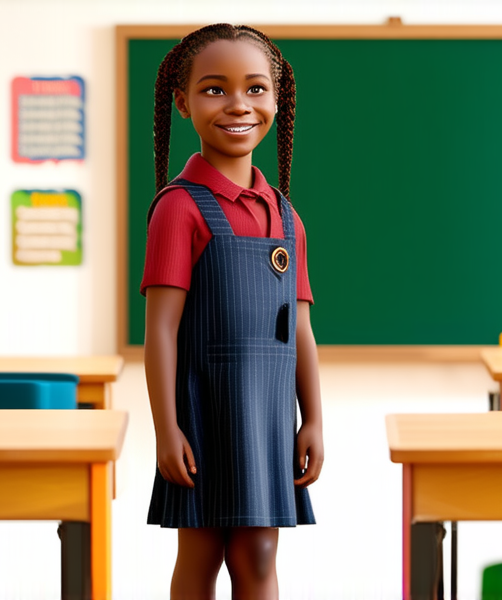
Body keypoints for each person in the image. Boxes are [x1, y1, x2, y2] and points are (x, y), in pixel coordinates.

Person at [141, 23, 323, 600]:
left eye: (256, 89)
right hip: (202, 409)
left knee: (259, 549)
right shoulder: (178, 208)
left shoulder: (285, 215)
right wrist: (166, 428)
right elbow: (161, 331)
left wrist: (312, 417)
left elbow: (301, 329)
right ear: (183, 102)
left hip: (266, 413)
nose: (239, 106)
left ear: (277, 99)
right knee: (201, 548)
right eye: (215, 90)